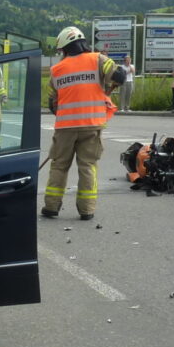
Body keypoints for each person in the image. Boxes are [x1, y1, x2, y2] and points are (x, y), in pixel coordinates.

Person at [43, 26, 121, 221]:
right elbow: (119, 76)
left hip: (65, 128)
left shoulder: (56, 70)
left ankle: (51, 207)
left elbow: (52, 104)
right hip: (91, 125)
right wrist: (109, 87)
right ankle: (86, 210)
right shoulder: (98, 59)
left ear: (65, 48)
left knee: (59, 166)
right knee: (87, 166)